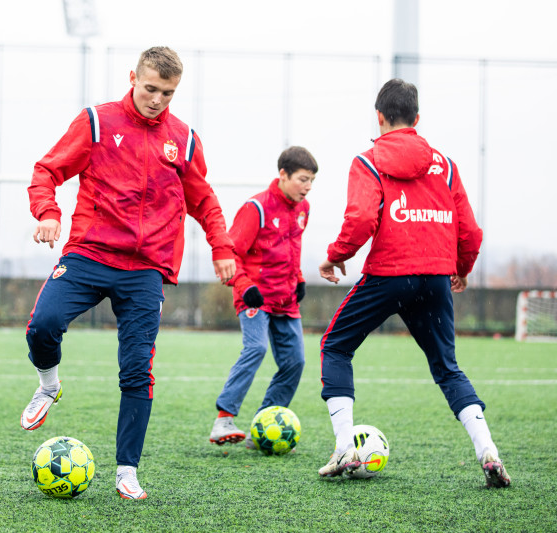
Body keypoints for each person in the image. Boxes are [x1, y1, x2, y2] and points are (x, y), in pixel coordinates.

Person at [23, 46, 236, 500]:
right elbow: (47, 170)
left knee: (137, 369)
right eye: (151, 88)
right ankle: (48, 386)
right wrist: (47, 212)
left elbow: (204, 199)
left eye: (168, 93)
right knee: (43, 326)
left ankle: (127, 470)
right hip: (90, 254)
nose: (158, 99)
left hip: (145, 269)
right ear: (133, 78)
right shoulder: (97, 122)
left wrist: (223, 247)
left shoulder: (185, 139)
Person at [317, 79, 510, 488]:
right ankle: (487, 450)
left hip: (389, 275)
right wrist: (462, 266)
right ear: (417, 119)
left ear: (380, 117)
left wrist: (336, 256)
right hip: (437, 277)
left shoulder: (368, 161)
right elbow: (471, 231)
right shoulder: (446, 165)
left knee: (335, 346)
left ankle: (342, 447)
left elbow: (361, 220)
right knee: (447, 368)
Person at [209, 146, 317, 449]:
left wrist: (299, 279)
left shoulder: (303, 209)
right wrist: (245, 286)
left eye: (311, 181)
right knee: (255, 348)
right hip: (255, 297)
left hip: (286, 300)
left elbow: (292, 250)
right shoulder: (256, 208)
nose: (307, 187)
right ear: (283, 175)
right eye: (303, 179)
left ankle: (263, 422)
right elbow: (230, 254)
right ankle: (224, 420)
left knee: (295, 361)